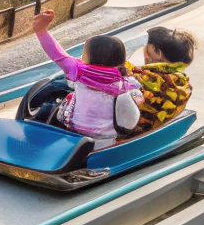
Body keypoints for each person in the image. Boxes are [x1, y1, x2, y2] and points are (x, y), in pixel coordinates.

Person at [30, 9, 141, 149]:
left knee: (52, 106)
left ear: (89, 57)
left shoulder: (79, 71)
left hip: (74, 131)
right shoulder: (126, 84)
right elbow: (130, 122)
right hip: (106, 141)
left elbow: (57, 53)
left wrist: (41, 31)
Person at [124, 26, 196, 136]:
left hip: (135, 134)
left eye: (146, 47)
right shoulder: (182, 82)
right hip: (160, 131)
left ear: (156, 52)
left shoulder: (145, 79)